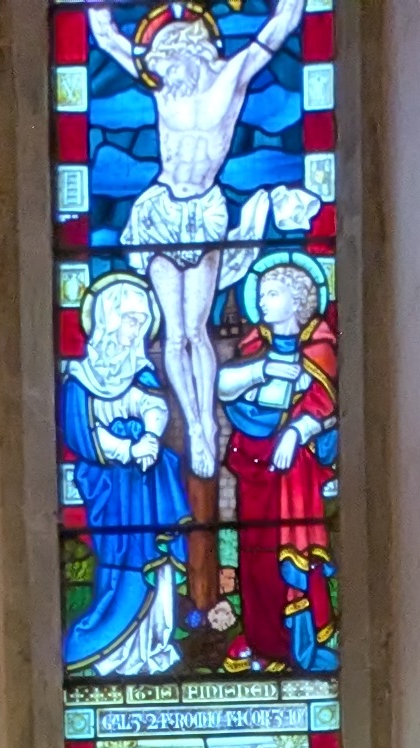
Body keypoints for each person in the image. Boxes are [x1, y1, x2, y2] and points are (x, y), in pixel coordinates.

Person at [86, 1, 312, 626]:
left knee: (196, 332)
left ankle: (203, 428)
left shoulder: (229, 76)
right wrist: (101, 19)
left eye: (166, 53)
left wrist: (292, 6)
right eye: (156, 58)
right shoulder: (163, 80)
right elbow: (109, 44)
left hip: (203, 209)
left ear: (192, 48)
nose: (159, 64)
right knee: (175, 333)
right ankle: (192, 417)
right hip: (161, 207)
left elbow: (275, 34)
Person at [59, 272, 185, 679]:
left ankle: (153, 645)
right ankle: (112, 652)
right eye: (131, 320)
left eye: (143, 322)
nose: (137, 331)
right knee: (117, 561)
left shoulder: (139, 370)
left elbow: (153, 406)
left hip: (144, 486)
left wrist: (149, 435)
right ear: (109, 320)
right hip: (109, 488)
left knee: (155, 560)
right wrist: (126, 449)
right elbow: (82, 433)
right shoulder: (79, 380)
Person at [219, 253, 335, 668]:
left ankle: (299, 645)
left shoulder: (320, 346)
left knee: (290, 552)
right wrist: (261, 372)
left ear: (298, 299)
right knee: (255, 555)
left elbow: (327, 403)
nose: (263, 301)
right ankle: (259, 638)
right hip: (254, 467)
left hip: (294, 474)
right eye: (262, 293)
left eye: (273, 293)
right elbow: (226, 386)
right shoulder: (254, 344)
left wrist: (296, 430)